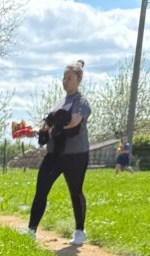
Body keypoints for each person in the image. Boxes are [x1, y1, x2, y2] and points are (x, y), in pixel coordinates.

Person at [21, 60, 92, 246]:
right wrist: (37, 131)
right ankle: (31, 230)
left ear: (78, 80)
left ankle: (80, 231)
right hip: (54, 154)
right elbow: (48, 125)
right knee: (41, 189)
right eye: (64, 77)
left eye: (69, 78)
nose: (65, 81)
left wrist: (56, 125)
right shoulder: (59, 102)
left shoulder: (81, 101)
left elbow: (74, 121)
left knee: (75, 191)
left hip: (75, 154)